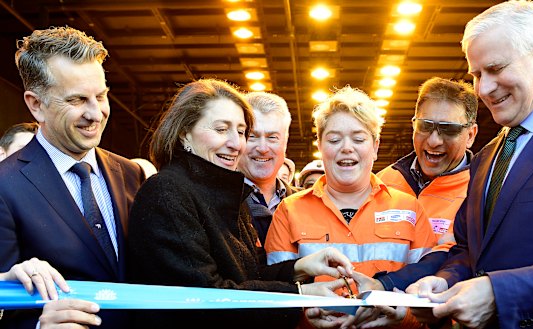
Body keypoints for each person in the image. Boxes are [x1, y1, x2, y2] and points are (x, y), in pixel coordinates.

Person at [407, 1, 533, 328]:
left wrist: (500, 294)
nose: (483, 89)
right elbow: (468, 249)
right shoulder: (488, 156)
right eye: (476, 74)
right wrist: (445, 280)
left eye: (496, 69)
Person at [126, 78, 355, 329]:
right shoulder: (166, 193)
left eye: (240, 131)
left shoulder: (226, 195)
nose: (236, 144)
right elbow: (207, 298)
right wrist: (300, 296)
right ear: (184, 133)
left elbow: (248, 275)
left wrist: (300, 268)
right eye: (221, 129)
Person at [0, 26, 145, 329]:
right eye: (78, 100)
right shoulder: (5, 186)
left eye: (101, 96)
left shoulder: (130, 174)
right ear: (35, 104)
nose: (96, 113)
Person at [264, 86, 438, 328]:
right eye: (334, 139)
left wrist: (404, 316)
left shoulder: (410, 208)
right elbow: (274, 293)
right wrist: (306, 314)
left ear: (375, 147)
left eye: (358, 139)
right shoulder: (288, 211)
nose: (347, 147)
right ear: (321, 146)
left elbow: (430, 297)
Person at [370, 77, 478, 292]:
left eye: (448, 129)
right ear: (413, 125)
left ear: (470, 135)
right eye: (425, 126)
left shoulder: (480, 191)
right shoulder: (382, 182)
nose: (434, 140)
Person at [238, 91, 299, 246]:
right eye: (252, 136)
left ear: (285, 142)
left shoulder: (307, 204)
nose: (263, 148)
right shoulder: (214, 203)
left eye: (272, 137)